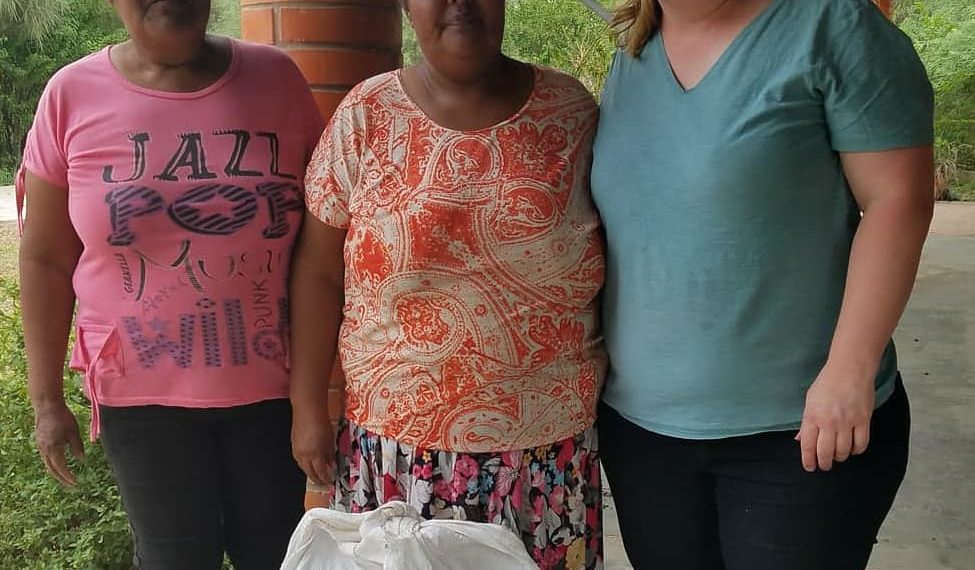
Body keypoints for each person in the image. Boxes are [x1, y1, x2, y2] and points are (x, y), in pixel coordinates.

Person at [590, 0, 935, 568]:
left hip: (801, 432)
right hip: (645, 434)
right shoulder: (635, 51)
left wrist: (849, 370)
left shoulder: (831, 26)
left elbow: (898, 200)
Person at [289, 1, 607, 568]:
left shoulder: (571, 112)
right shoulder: (366, 113)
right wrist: (307, 404)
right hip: (399, 460)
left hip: (546, 459)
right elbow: (318, 271)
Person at [18, 0, 323, 567]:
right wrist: (46, 400)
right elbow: (44, 259)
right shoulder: (70, 95)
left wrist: (314, 396)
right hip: (142, 404)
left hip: (272, 394)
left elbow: (322, 243)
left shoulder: (277, 79)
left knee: (280, 556)